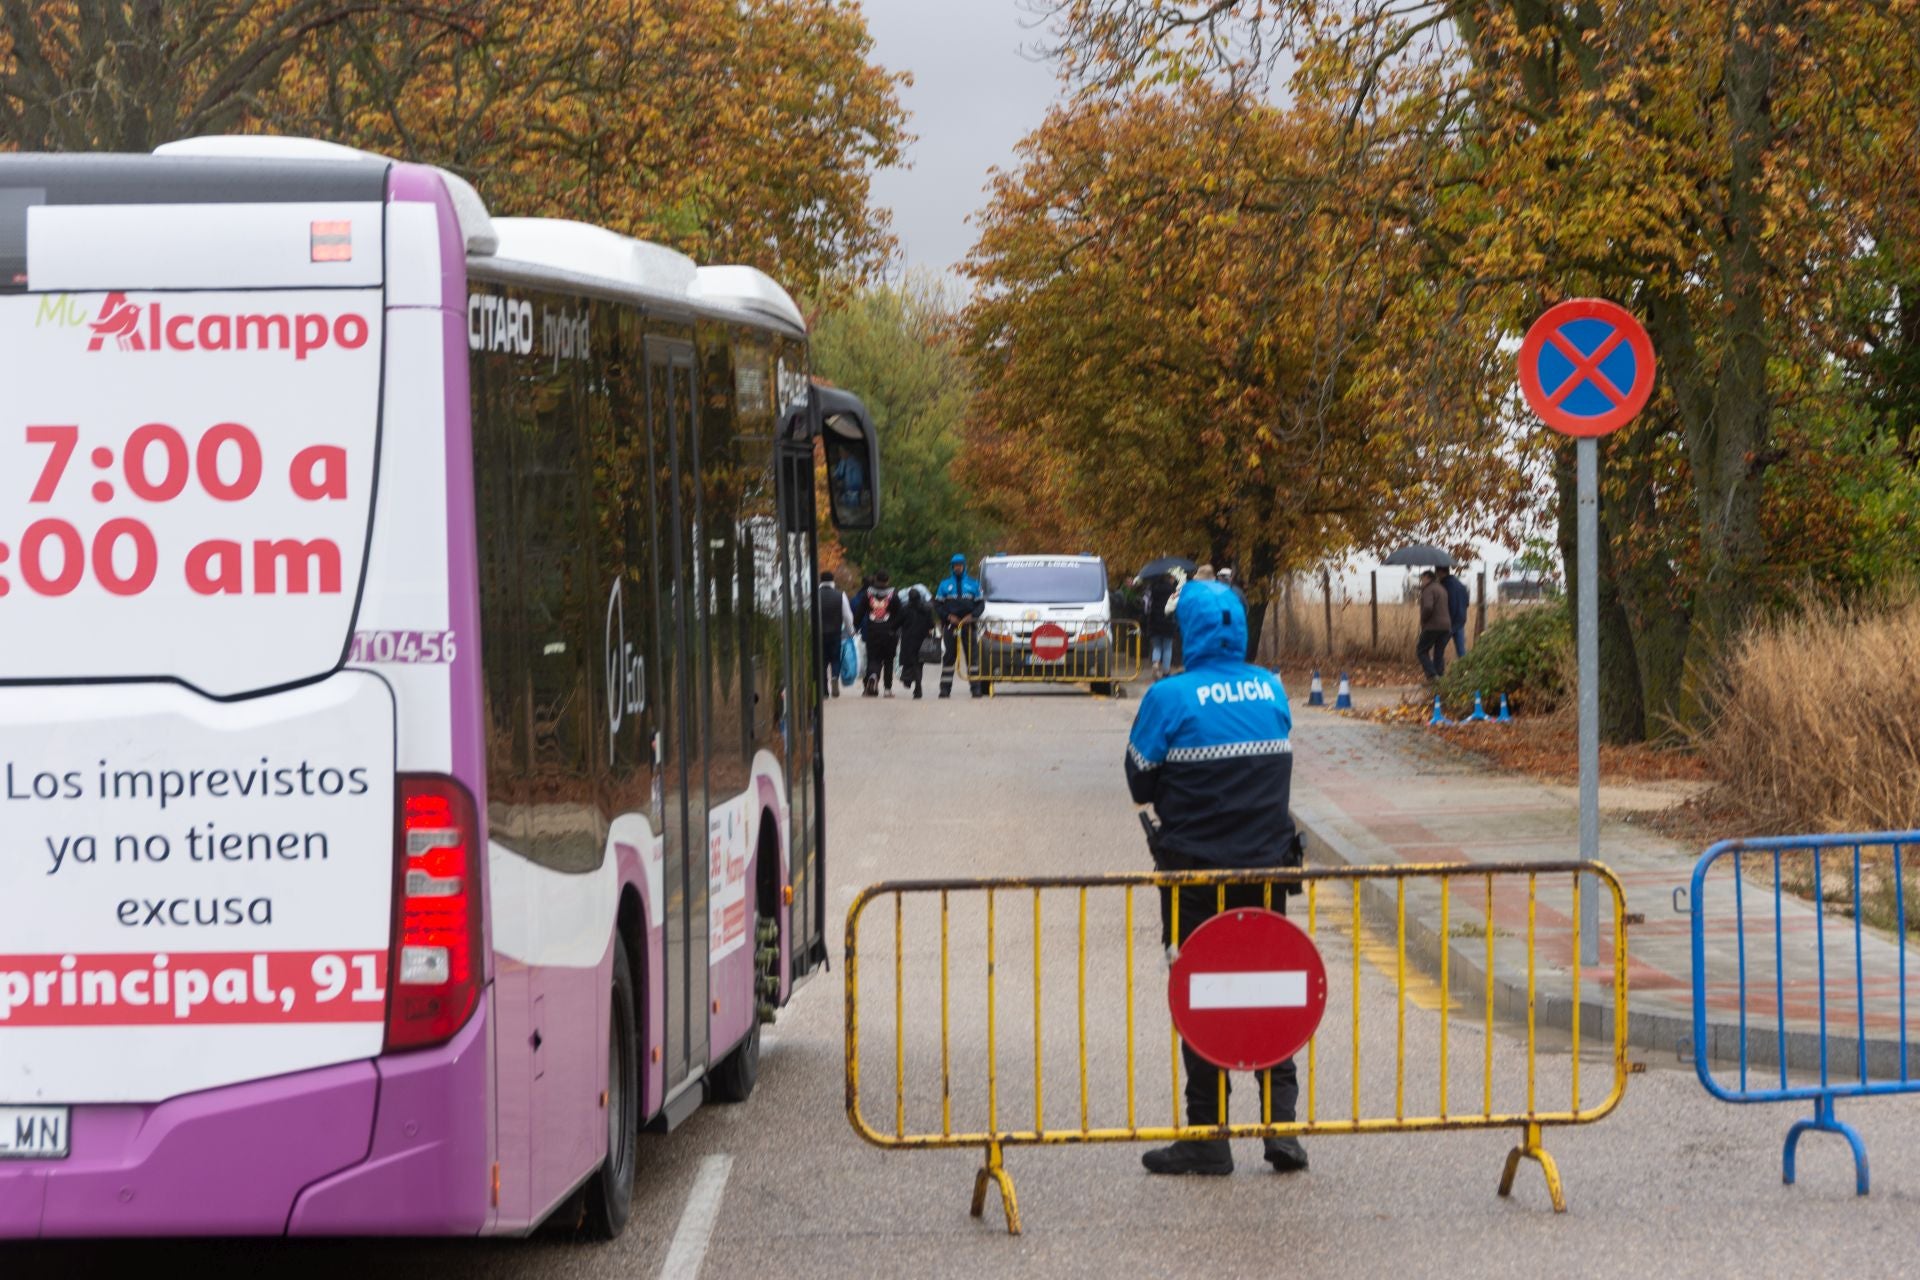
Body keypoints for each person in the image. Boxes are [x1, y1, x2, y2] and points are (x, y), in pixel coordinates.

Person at [1126, 579, 1307, 1176]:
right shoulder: (1272, 687)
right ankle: (1282, 1129)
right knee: (1272, 986)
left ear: (1189, 632)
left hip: (1194, 877)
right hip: (1267, 871)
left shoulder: (1170, 697)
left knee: (1200, 994)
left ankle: (1208, 1135)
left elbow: (1139, 780)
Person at [934, 554, 984, 698]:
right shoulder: (944, 584)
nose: (958, 567)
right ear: (952, 567)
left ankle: (976, 688)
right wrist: (948, 616)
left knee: (972, 657)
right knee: (949, 656)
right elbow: (937, 605)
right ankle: (944, 689)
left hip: (969, 625)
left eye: (960, 565)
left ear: (964, 566)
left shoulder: (974, 584)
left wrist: (972, 616)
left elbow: (981, 604)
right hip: (951, 625)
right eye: (955, 565)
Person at [862, 573, 903, 697]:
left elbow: (859, 612)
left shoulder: (867, 594)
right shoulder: (894, 594)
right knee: (889, 660)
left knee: (873, 658)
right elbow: (900, 614)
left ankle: (873, 675)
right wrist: (896, 628)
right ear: (888, 580)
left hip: (872, 630)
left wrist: (855, 626)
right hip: (889, 632)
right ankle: (887, 689)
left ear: (876, 579)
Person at [817, 570, 853, 698]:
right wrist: (851, 631)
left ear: (820, 581)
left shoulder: (815, 595)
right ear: (833, 581)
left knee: (821, 661)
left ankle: (824, 691)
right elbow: (847, 616)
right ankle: (834, 677)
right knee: (835, 658)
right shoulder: (840, 595)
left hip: (819, 634)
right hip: (835, 632)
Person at [898, 585, 937, 699]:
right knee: (919, 664)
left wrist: (893, 630)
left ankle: (908, 679)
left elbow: (897, 622)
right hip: (922, 640)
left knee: (908, 661)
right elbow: (932, 624)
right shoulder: (926, 610)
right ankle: (918, 687)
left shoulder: (904, 609)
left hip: (908, 640)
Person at [1417, 568, 1452, 680]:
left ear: (1427, 578)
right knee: (1439, 652)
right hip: (1446, 626)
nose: (1421, 581)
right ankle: (1440, 676)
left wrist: (1423, 619)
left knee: (1421, 650)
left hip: (1433, 625)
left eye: (1422, 578)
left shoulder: (1428, 589)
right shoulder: (1442, 589)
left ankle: (1432, 675)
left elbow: (1428, 607)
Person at [1144, 572, 1178, 679]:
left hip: (1155, 620)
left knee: (1157, 646)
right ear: (1169, 578)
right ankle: (1166, 671)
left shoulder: (1153, 589)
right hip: (1168, 620)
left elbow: (1147, 605)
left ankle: (1155, 663)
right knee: (1167, 647)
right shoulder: (1172, 590)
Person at [1441, 565, 1471, 658]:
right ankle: (1464, 670)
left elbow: (1447, 604)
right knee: (1461, 650)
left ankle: (1438, 670)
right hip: (1460, 620)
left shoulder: (1444, 585)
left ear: (1440, 572)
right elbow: (1467, 602)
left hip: (1448, 622)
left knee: (1439, 648)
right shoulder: (1461, 585)